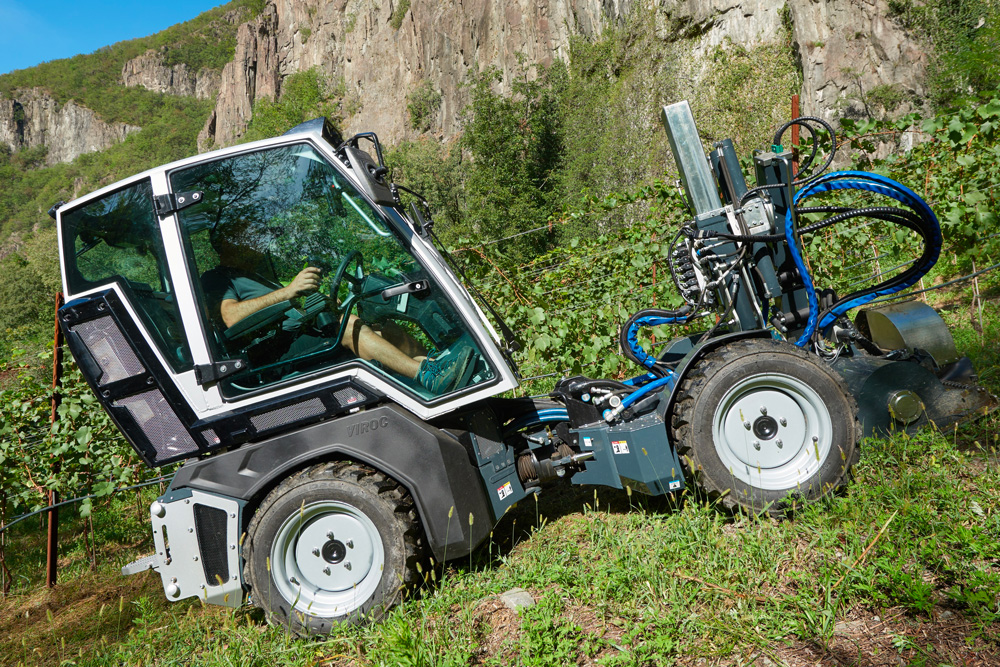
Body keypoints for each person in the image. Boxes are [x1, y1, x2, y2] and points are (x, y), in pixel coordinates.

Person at [201, 222, 473, 394]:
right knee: (347, 325)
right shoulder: (217, 278)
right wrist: (288, 290)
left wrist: (315, 303)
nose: (256, 239)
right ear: (227, 243)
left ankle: (436, 368)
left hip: (295, 336)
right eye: (247, 235)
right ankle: (426, 376)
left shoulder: (255, 275)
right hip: (272, 356)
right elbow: (230, 317)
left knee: (382, 327)